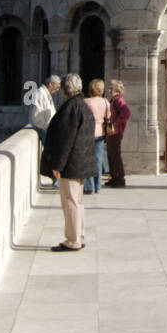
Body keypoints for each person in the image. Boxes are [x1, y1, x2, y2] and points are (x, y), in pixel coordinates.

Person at [40, 73, 96, 252]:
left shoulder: (71, 108)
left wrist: (58, 165)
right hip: (80, 161)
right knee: (77, 200)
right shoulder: (83, 106)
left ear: (65, 89)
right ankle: (79, 235)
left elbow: (66, 139)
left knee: (70, 200)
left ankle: (73, 240)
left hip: (71, 163)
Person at [30, 74, 61, 185]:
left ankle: (55, 179)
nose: (57, 90)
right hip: (44, 129)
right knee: (52, 154)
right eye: (57, 86)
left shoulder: (46, 93)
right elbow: (36, 115)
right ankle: (55, 179)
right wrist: (45, 126)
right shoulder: (39, 93)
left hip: (49, 129)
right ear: (50, 84)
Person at [83, 79, 111, 194]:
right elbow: (108, 117)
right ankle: (97, 185)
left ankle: (89, 186)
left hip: (88, 133)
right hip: (100, 133)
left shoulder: (86, 102)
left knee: (88, 160)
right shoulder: (105, 102)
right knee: (98, 161)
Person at [105, 79, 131, 188]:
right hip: (113, 131)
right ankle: (114, 177)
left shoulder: (118, 100)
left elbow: (126, 113)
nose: (109, 91)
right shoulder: (114, 100)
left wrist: (115, 122)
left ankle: (119, 178)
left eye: (112, 89)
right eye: (110, 88)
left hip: (116, 131)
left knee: (115, 155)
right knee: (111, 155)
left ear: (118, 91)